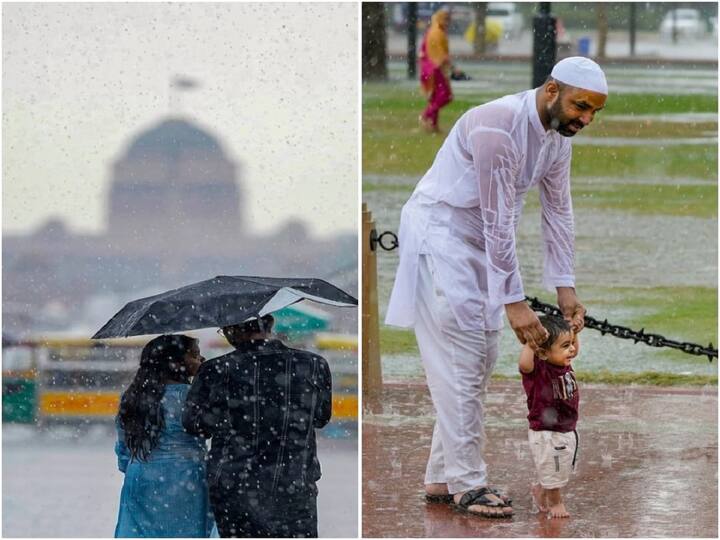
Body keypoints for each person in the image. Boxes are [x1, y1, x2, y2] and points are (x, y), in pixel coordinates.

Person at [385, 56, 607, 518]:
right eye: (580, 106)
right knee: (463, 359)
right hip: (441, 238)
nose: (585, 119)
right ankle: (468, 484)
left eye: (593, 112)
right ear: (551, 90)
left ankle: (442, 476)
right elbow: (497, 219)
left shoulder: (555, 139)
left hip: (479, 247)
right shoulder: (497, 126)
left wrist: (565, 286)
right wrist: (514, 301)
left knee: (477, 361)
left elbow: (558, 211)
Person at [182, 314, 332, 538]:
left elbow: (195, 425)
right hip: (294, 481)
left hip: (233, 485)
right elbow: (320, 417)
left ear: (233, 330)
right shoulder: (313, 364)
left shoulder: (216, 369)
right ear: (269, 324)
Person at [114, 334, 215, 538]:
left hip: (141, 476)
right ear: (175, 362)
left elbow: (123, 449)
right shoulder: (193, 396)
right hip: (187, 478)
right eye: (195, 355)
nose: (201, 359)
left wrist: (140, 467)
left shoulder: (133, 396)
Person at [519, 315, 579, 519]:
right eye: (565, 345)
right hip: (547, 430)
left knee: (561, 466)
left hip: (565, 427)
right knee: (554, 466)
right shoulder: (539, 369)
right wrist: (531, 344)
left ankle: (542, 490)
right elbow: (524, 364)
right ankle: (555, 501)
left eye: (571, 343)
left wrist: (575, 334)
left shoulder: (562, 363)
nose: (572, 349)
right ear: (543, 352)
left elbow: (574, 350)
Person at [419, 8, 453, 133]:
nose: (447, 22)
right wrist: (451, 66)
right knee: (445, 96)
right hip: (435, 68)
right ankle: (426, 115)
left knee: (436, 97)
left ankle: (433, 125)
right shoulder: (436, 33)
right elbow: (439, 53)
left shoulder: (434, 31)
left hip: (432, 68)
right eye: (445, 19)